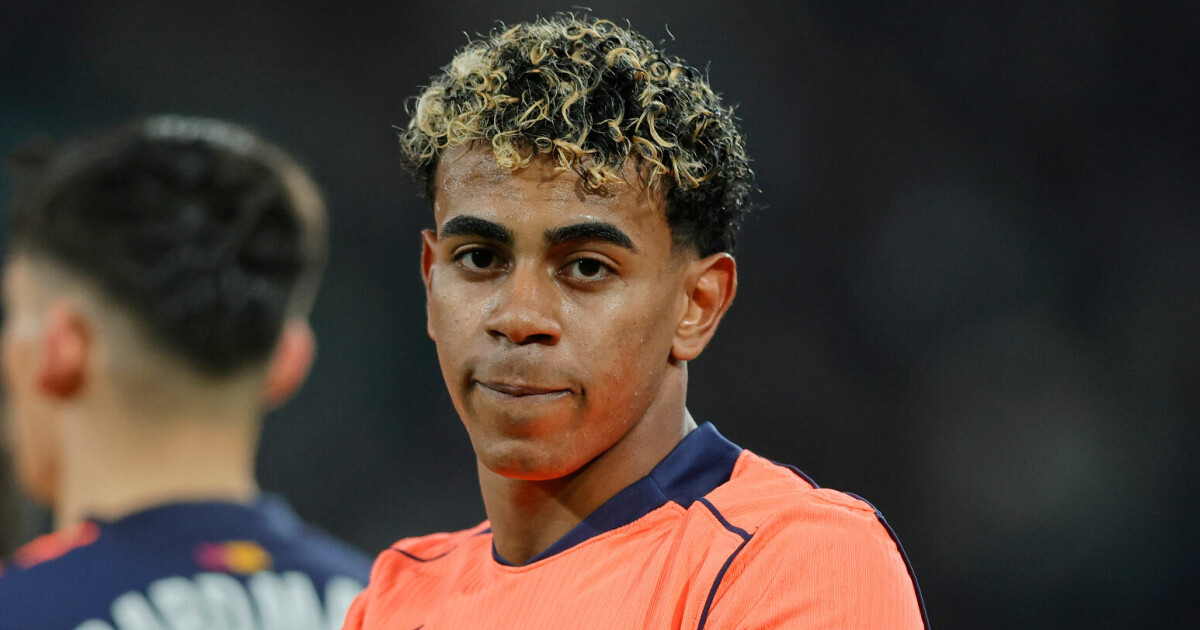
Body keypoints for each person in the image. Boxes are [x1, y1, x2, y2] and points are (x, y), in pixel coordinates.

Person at [345, 13, 927, 630]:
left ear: (697, 305)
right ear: (430, 278)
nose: (518, 318)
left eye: (587, 268)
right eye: (480, 259)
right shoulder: (396, 600)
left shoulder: (795, 560)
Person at [0, 116, 371, 629]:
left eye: (12, 315)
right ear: (289, 361)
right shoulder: (392, 607)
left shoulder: (19, 607)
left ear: (62, 348)